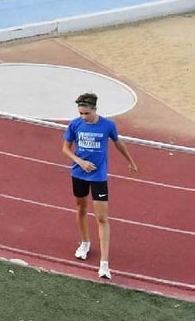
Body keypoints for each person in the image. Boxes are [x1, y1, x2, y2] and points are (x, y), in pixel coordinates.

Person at [62, 92, 138, 280]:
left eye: (86, 113)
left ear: (95, 109)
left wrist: (130, 161)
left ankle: (104, 264)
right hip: (79, 173)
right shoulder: (75, 124)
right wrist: (80, 162)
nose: (83, 117)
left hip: (98, 177)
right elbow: (65, 148)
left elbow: (118, 143)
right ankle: (85, 242)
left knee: (102, 218)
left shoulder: (108, 125)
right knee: (80, 208)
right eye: (80, 113)